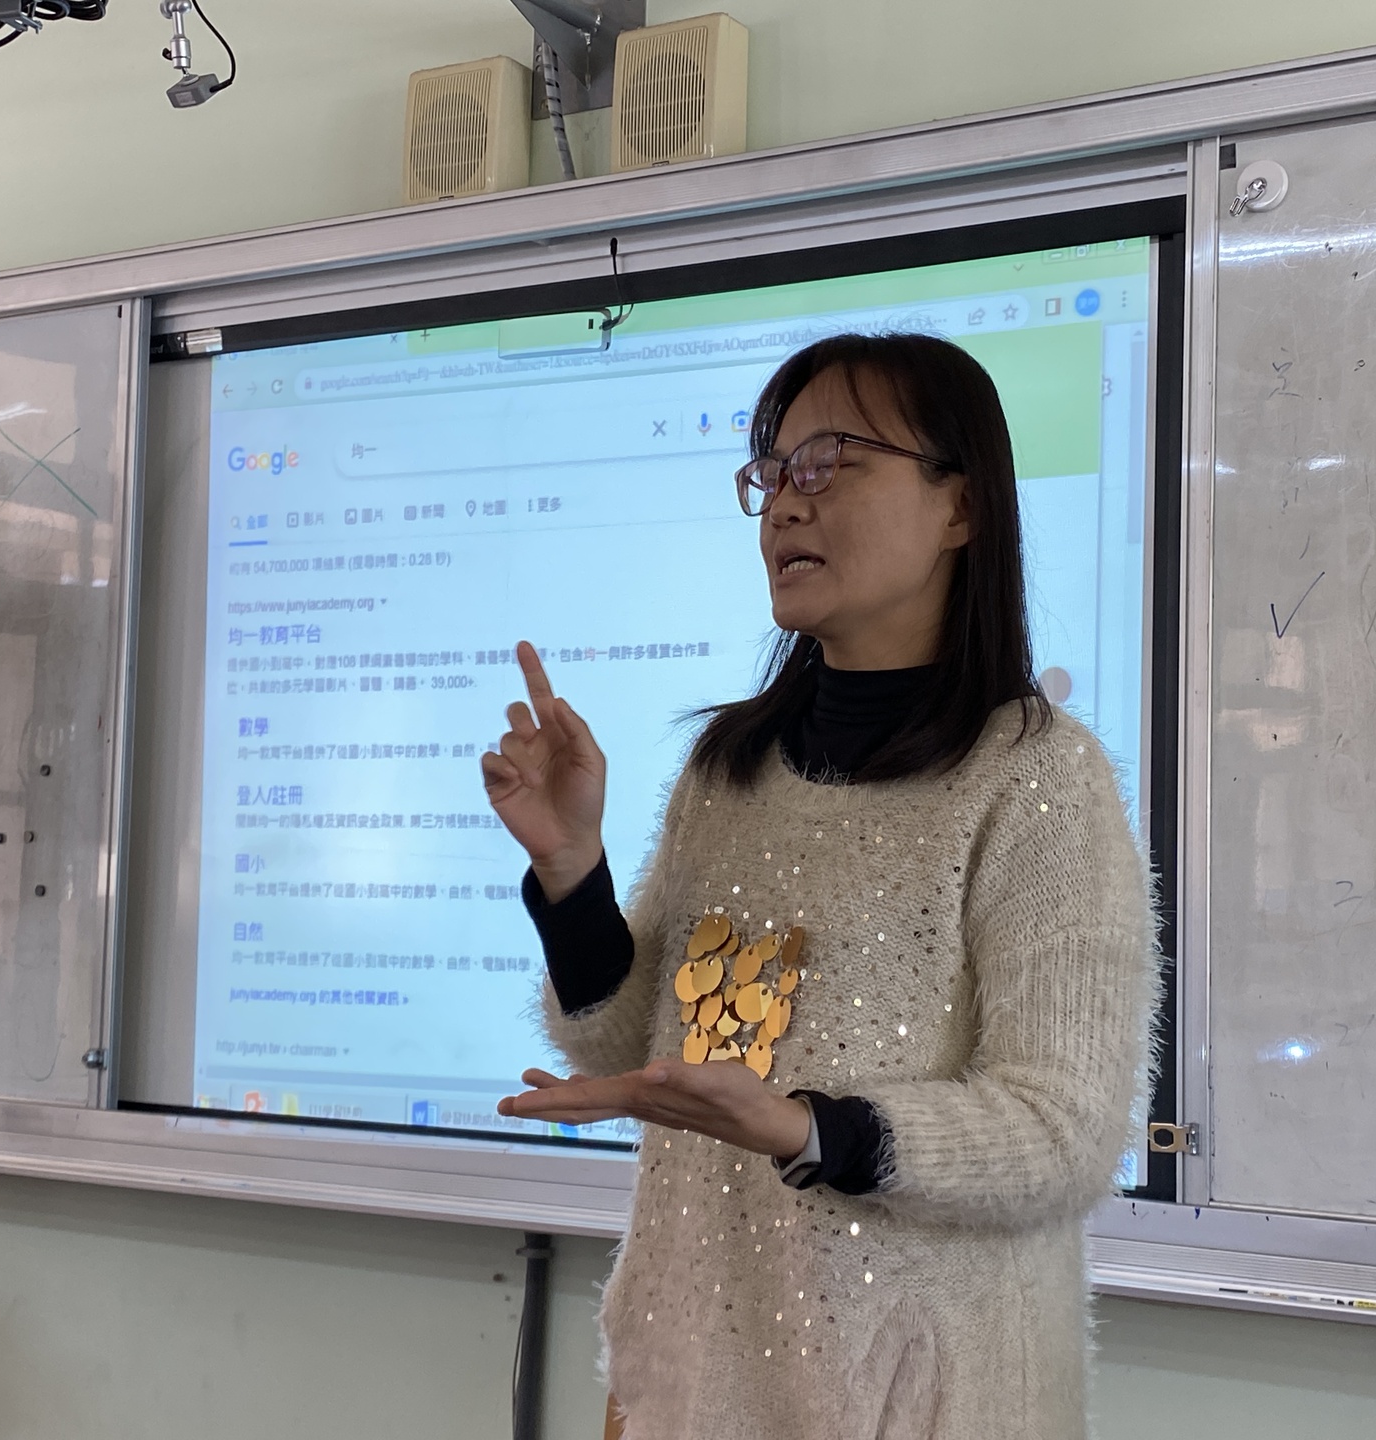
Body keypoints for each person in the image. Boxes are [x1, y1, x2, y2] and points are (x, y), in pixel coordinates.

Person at [483, 332, 1157, 1440]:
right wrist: (572, 875)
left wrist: (809, 1130)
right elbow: (632, 1051)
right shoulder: (729, 769)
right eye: (772, 471)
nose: (785, 504)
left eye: (831, 461)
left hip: (918, 1397)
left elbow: (1064, 1133)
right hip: (685, 1379)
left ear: (962, 505)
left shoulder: (1035, 778)